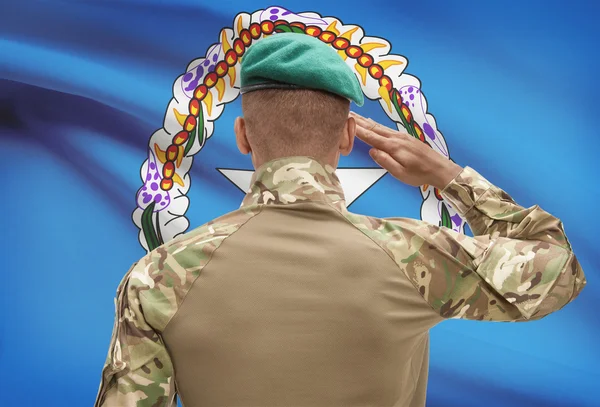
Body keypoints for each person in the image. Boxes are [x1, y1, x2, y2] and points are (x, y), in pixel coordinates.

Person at [94, 33, 587, 407]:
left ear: (242, 136)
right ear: (349, 136)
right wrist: (451, 177)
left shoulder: (158, 277)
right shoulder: (414, 257)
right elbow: (558, 268)